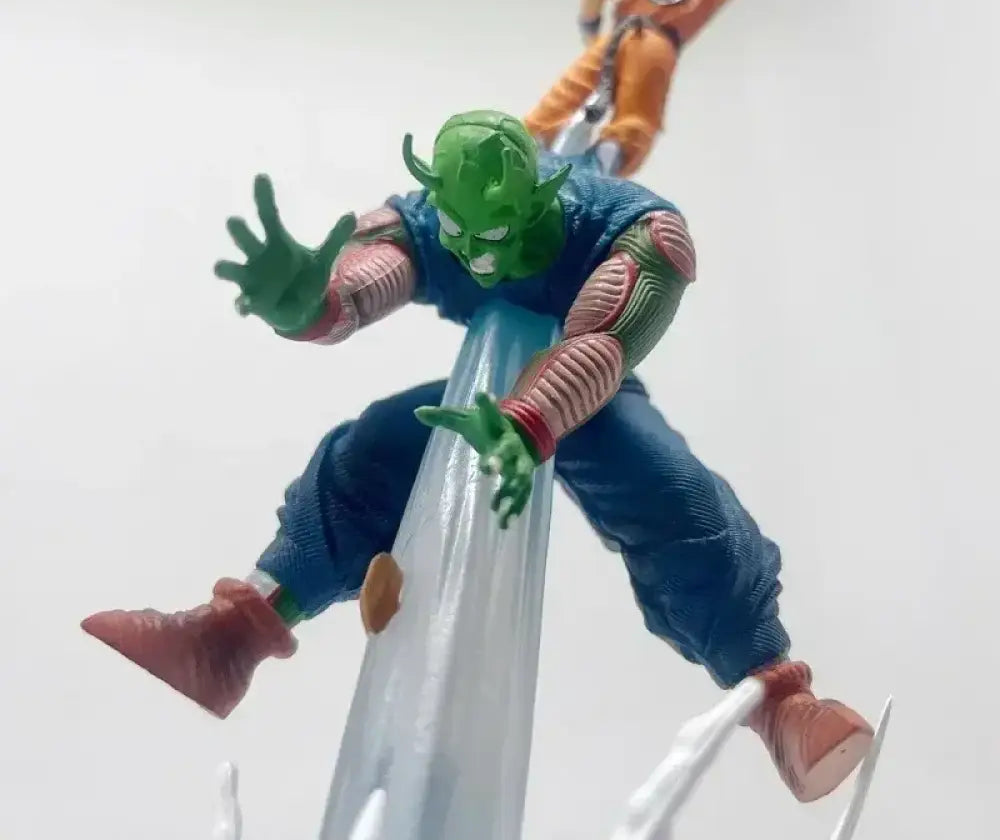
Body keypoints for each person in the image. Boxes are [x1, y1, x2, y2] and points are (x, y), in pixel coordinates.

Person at [82, 110, 872, 803]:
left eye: (492, 235)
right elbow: (372, 278)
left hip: (583, 392)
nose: (476, 255)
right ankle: (234, 635)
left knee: (679, 499)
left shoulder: (635, 228)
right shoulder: (434, 217)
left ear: (540, 196)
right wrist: (309, 304)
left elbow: (603, 340)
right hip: (480, 390)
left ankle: (780, 704)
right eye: (460, 236)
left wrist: (529, 422)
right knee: (364, 453)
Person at [524, 0, 772, 178]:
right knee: (635, 119)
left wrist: (591, 30)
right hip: (657, 46)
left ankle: (524, 145)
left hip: (618, 36)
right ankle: (602, 167)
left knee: (565, 97)